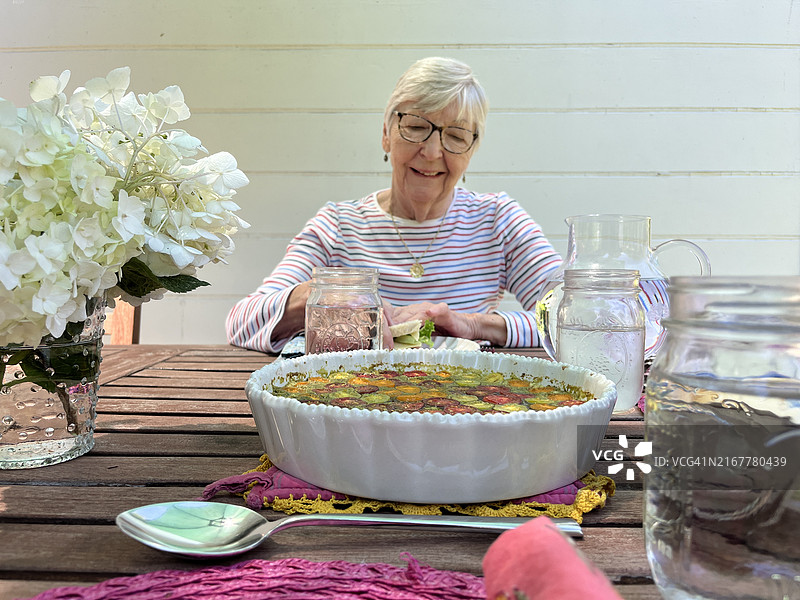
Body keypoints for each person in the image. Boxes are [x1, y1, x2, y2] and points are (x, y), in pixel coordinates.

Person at [226, 57, 562, 353]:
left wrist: (475, 325)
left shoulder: (497, 221)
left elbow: (579, 315)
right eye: (416, 127)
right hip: (354, 407)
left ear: (472, 150)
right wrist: (318, 297)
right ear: (387, 133)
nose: (432, 152)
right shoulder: (338, 226)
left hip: (468, 407)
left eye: (456, 136)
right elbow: (242, 322)